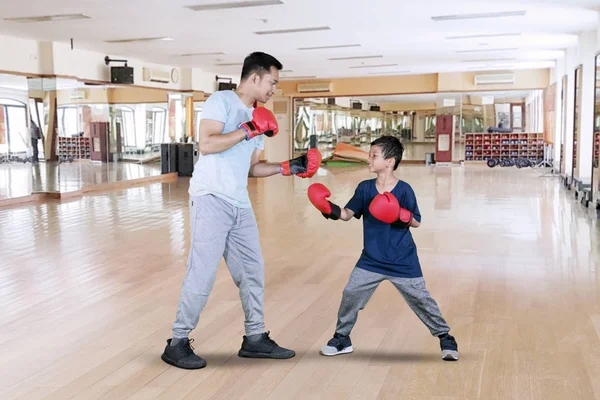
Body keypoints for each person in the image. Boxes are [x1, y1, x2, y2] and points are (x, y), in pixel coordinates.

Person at [161, 52, 322, 370]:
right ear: (255, 77)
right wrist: (248, 129)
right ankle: (177, 342)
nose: (274, 88)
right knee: (203, 273)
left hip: (239, 204)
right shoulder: (221, 100)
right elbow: (206, 144)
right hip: (211, 198)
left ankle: (255, 339)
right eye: (272, 82)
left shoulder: (261, 117)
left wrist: (289, 166)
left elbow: (253, 168)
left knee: (252, 272)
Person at [306, 136, 458, 361]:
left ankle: (445, 337)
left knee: (421, 299)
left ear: (390, 161)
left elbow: (416, 221)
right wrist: (327, 208)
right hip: (371, 259)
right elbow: (347, 215)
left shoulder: (404, 190)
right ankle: (342, 338)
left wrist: (399, 214)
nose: (368, 158)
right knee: (351, 293)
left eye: (373, 155)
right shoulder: (365, 188)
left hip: (402, 260)